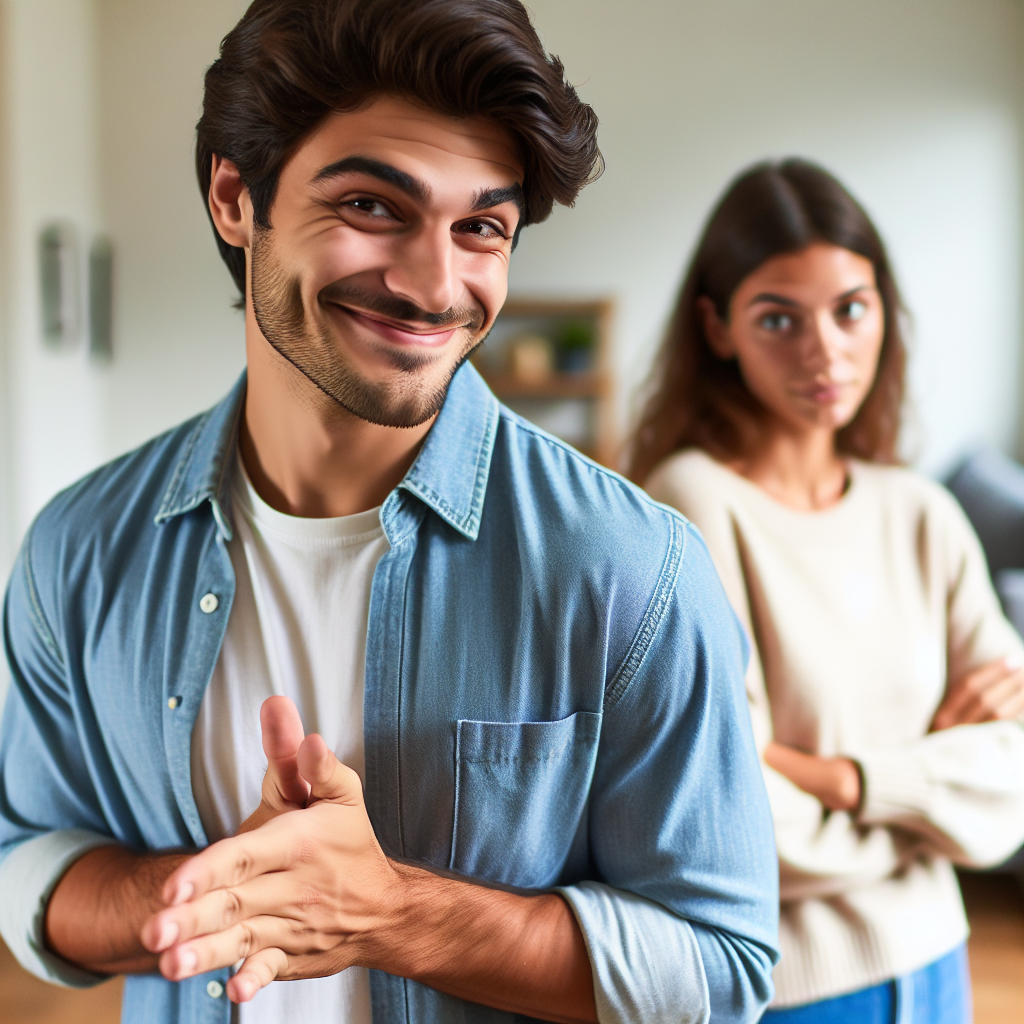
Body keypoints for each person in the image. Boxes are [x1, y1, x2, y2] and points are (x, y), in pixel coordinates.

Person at [0, 2, 779, 1023]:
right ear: (236, 198)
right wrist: (216, 891)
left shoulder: (634, 567)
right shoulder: (79, 548)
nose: (433, 284)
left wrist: (389, 912)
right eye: (371, 205)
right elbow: (25, 859)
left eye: (481, 228)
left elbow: (720, 970)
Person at [633, 158, 1024, 1023]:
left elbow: (1015, 781)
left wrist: (843, 779)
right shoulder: (693, 502)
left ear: (884, 307)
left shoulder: (920, 511)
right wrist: (930, 796)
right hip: (793, 991)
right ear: (718, 327)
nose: (824, 352)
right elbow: (733, 817)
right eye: (779, 318)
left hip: (941, 964)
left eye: (851, 309)